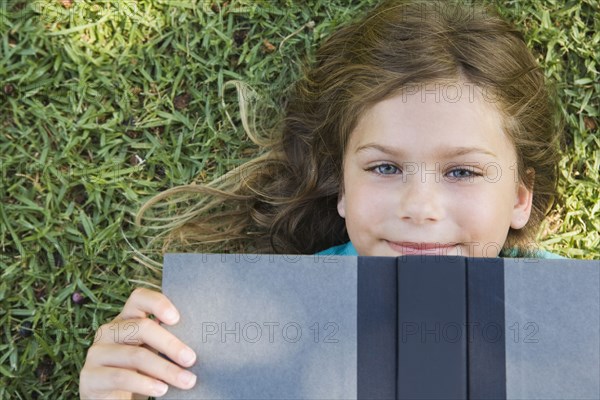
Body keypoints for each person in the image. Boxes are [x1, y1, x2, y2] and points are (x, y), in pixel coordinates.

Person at [79, 0, 563, 398]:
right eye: (385, 168)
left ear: (521, 197)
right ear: (344, 190)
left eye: (462, 171)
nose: (420, 207)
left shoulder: (573, 323)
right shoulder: (233, 334)